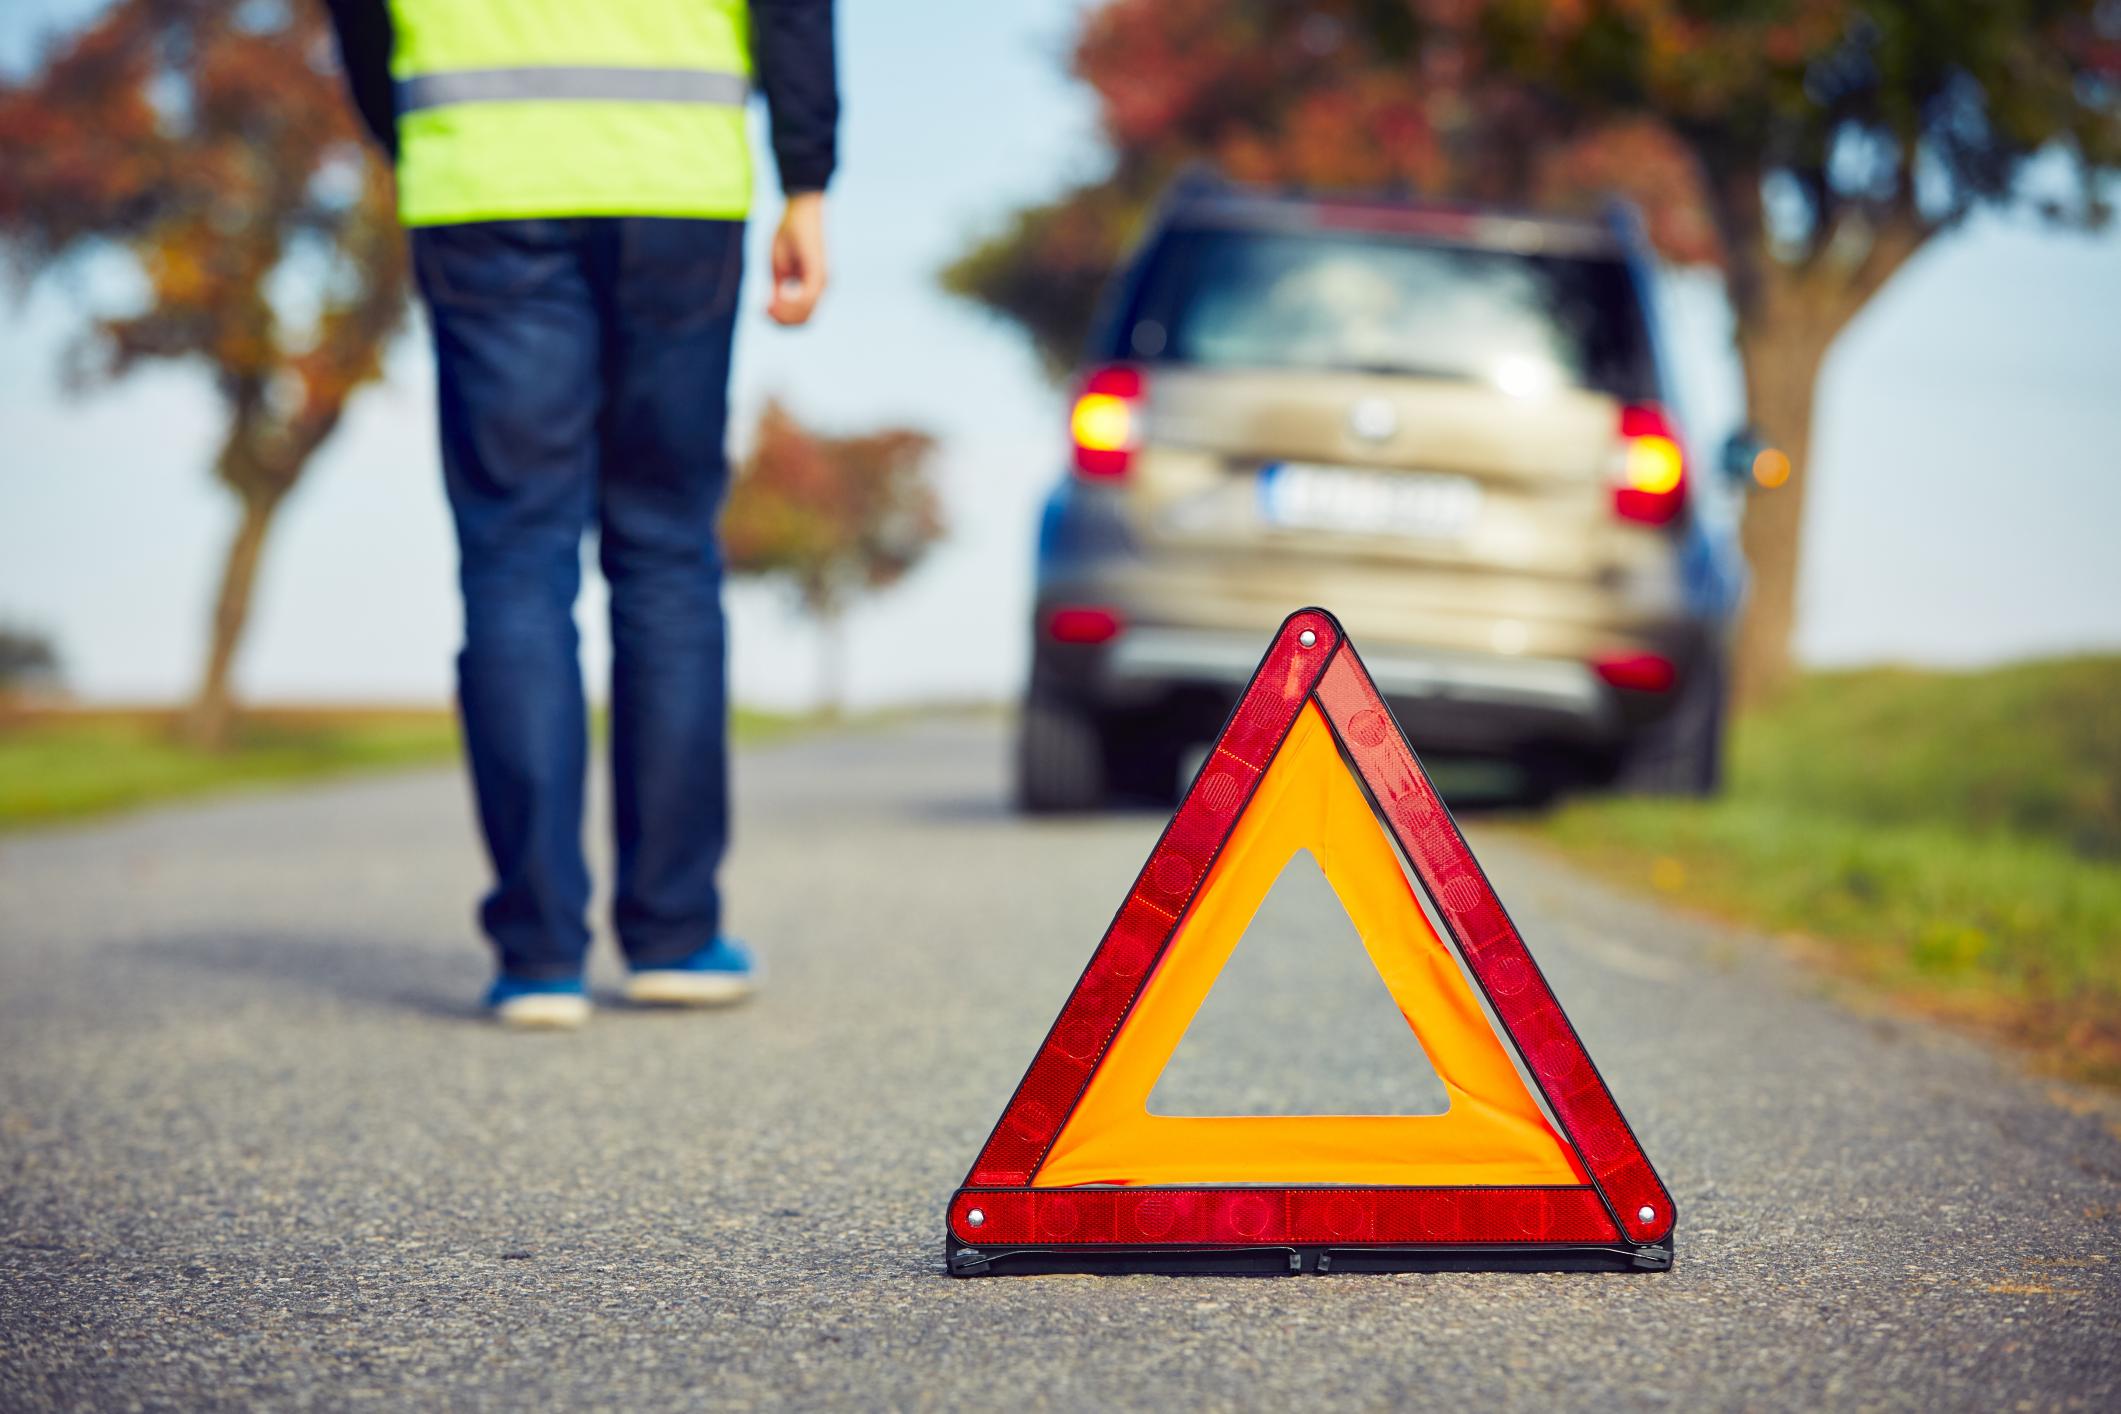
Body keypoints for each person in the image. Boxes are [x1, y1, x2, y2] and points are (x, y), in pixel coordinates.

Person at [325, 0, 837, 1028]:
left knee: (516, 557)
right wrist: (808, 177)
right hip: (676, 177)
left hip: (481, 181)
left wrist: (414, 139)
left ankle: (540, 954)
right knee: (665, 554)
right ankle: (676, 934)